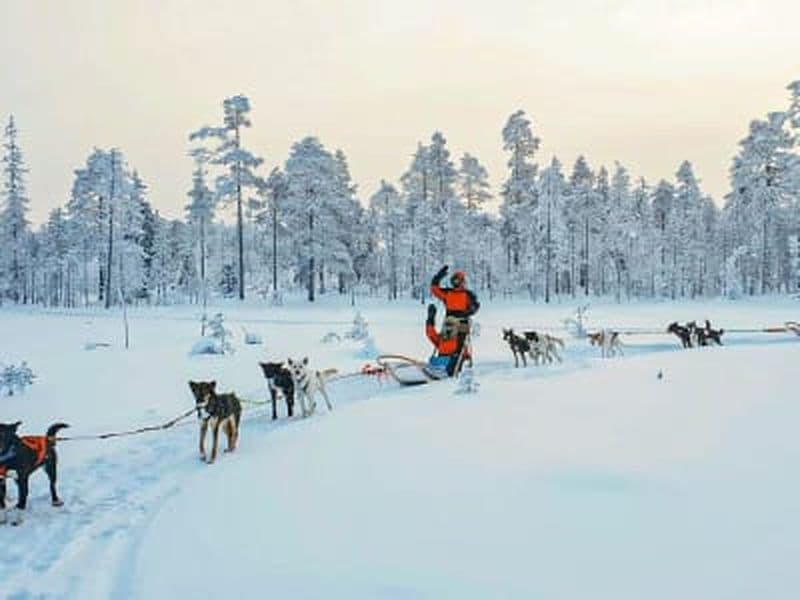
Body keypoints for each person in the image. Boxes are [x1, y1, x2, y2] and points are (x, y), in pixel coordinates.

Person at [425, 303, 466, 377]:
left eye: (451, 326)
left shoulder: (459, 340)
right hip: (439, 365)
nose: (448, 328)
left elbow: (466, 355)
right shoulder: (442, 339)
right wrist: (430, 319)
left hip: (449, 366)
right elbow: (430, 334)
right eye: (447, 325)